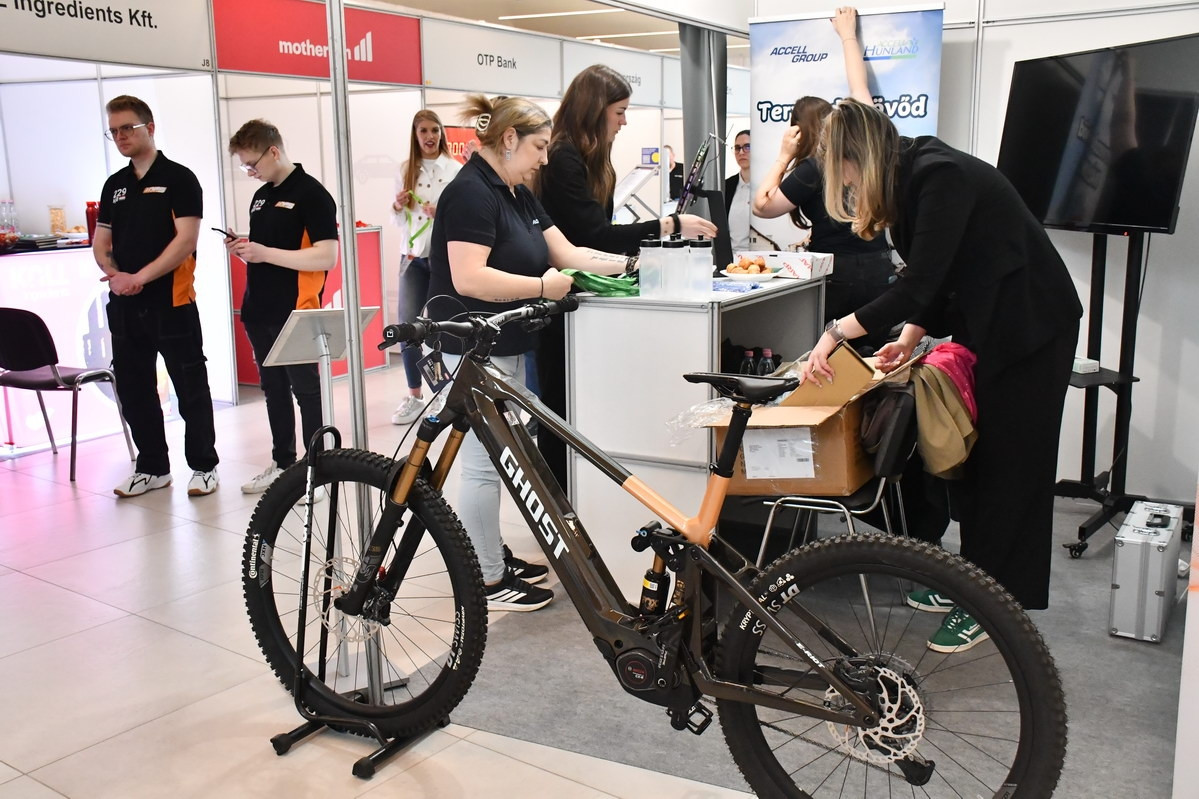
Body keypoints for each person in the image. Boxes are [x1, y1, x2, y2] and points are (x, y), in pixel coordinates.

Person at [803, 98, 1083, 652]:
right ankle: (975, 582)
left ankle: (994, 604)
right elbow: (939, 274)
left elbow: (921, 283)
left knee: (1011, 466)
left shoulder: (940, 176)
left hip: (1032, 326)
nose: (847, 184)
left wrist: (835, 333)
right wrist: (909, 338)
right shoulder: (912, 178)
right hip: (991, 324)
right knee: (979, 459)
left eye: (843, 171)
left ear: (858, 156)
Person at [427, 94, 641, 611]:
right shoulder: (470, 193)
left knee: (503, 458)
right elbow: (469, 278)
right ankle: (485, 578)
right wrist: (542, 288)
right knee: (483, 464)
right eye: (539, 147)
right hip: (471, 346)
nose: (545, 159)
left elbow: (568, 253)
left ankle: (488, 554)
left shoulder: (516, 192)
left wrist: (636, 263)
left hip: (506, 342)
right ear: (508, 140)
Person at [537, 64, 717, 488]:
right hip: (564, 300)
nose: (624, 122)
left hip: (587, 296)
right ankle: (560, 496)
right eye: (619, 112)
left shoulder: (588, 159)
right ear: (595, 109)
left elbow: (598, 236)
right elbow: (593, 236)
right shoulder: (563, 159)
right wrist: (670, 226)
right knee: (560, 407)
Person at [93, 95, 220, 499]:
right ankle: (152, 467)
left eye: (127, 128)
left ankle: (204, 466)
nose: (120, 137)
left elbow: (185, 241)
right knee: (133, 388)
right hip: (126, 305)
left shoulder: (180, 178)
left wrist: (140, 278)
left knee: (190, 387)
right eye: (113, 131)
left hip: (172, 302)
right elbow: (101, 241)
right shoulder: (115, 185)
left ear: (149, 127)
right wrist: (116, 275)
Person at [753, 7, 897, 352]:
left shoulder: (815, 168)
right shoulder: (871, 151)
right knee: (876, 355)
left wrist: (783, 156)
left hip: (837, 273)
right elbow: (859, 87)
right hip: (880, 266)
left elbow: (762, 207)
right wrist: (848, 36)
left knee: (832, 356)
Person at [225, 120, 339, 494]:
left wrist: (265, 253)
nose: (250, 172)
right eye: (244, 166)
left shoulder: (312, 195)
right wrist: (245, 250)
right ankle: (283, 463)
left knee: (305, 389)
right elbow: (268, 252)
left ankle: (317, 470)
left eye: (252, 164)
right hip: (259, 308)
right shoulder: (261, 196)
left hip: (296, 309)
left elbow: (327, 256)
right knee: (273, 389)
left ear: (273, 151)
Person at [389, 110, 461, 425]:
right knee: (408, 328)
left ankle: (443, 391)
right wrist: (397, 206)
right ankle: (415, 395)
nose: (430, 137)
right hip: (412, 258)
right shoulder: (405, 169)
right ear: (415, 135)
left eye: (434, 130)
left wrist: (441, 213)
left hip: (443, 259)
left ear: (442, 133)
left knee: (440, 328)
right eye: (423, 131)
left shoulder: (455, 170)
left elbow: (464, 219)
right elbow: (397, 221)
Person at [725, 130, 753, 252]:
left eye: (747, 147)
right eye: (737, 148)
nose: (741, 152)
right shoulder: (727, 185)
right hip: (731, 257)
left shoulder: (768, 185)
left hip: (761, 257)